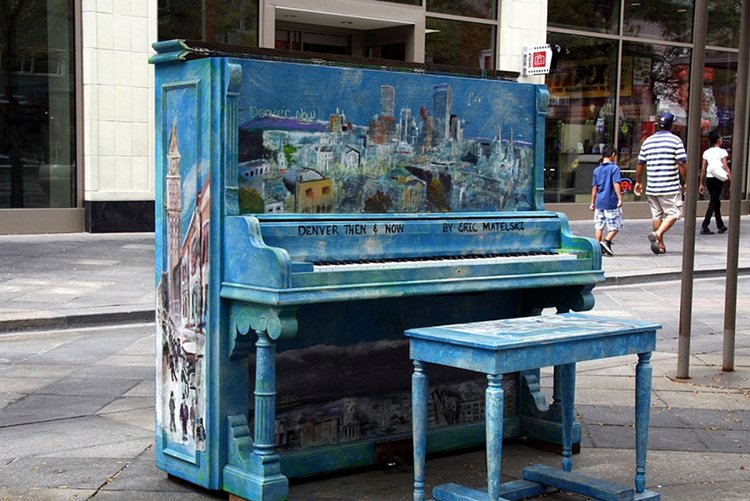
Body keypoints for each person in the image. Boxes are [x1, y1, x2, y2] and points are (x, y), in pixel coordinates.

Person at [634, 111, 687, 255]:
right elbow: (681, 163)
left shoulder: (648, 141)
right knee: (674, 213)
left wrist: (638, 182)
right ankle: (657, 235)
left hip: (652, 186)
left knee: (657, 215)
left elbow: (640, 164)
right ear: (672, 125)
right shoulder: (676, 141)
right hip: (669, 186)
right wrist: (686, 182)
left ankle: (660, 244)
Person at [590, 144, 623, 256]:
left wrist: (592, 202)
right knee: (616, 225)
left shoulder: (596, 170)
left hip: (599, 202)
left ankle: (598, 248)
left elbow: (594, 187)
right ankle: (606, 241)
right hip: (611, 202)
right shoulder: (614, 168)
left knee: (599, 226)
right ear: (613, 155)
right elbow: (616, 183)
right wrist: (620, 198)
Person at [698, 130, 731, 234]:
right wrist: (731, 178)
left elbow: (703, 168)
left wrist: (701, 183)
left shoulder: (706, 152)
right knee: (713, 202)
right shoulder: (722, 152)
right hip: (718, 178)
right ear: (718, 140)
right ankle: (705, 225)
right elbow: (725, 166)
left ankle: (720, 225)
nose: (721, 140)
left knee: (716, 201)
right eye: (720, 138)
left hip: (709, 178)